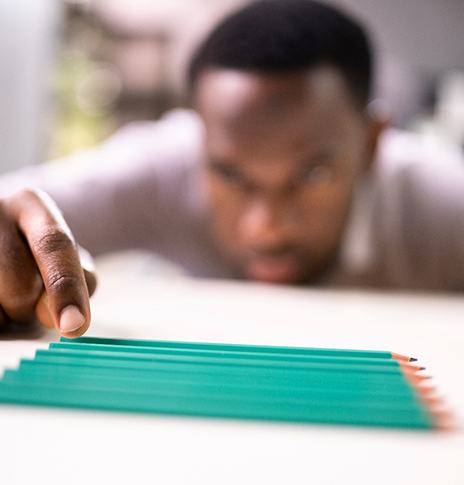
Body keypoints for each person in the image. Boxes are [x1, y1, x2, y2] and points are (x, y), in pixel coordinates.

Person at [0, 0, 463, 339]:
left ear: (371, 143)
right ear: (197, 137)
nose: (266, 227)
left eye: (311, 174)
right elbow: (14, 206)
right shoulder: (162, 163)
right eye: (231, 175)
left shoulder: (445, 202)